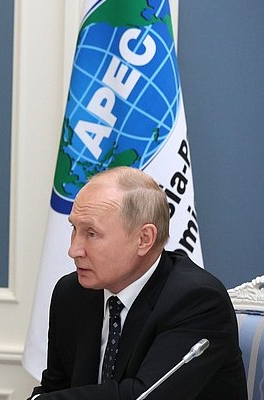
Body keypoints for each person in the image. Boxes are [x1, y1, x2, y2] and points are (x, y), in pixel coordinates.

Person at [29, 167, 246, 399]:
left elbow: (143, 396)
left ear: (144, 239)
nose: (74, 250)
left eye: (91, 233)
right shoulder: (72, 293)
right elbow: (55, 388)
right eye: (74, 228)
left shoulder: (196, 301)